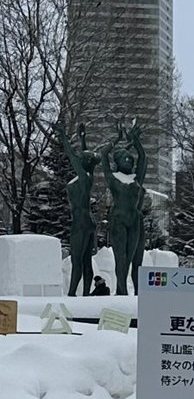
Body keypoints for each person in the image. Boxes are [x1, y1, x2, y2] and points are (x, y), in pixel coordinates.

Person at [100, 121, 146, 296]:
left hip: (134, 220)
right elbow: (104, 156)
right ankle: (121, 291)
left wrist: (136, 141)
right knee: (121, 257)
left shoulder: (135, 179)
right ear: (118, 162)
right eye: (124, 158)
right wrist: (117, 139)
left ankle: (130, 290)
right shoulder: (114, 178)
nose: (128, 160)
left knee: (132, 255)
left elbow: (143, 158)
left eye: (129, 158)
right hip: (118, 219)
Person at [55, 121, 96, 297]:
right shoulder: (88, 176)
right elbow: (83, 156)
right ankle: (85, 294)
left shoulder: (84, 177)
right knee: (86, 261)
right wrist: (82, 139)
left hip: (80, 222)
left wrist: (63, 136)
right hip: (87, 221)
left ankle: (72, 294)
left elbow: (72, 156)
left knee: (77, 261)